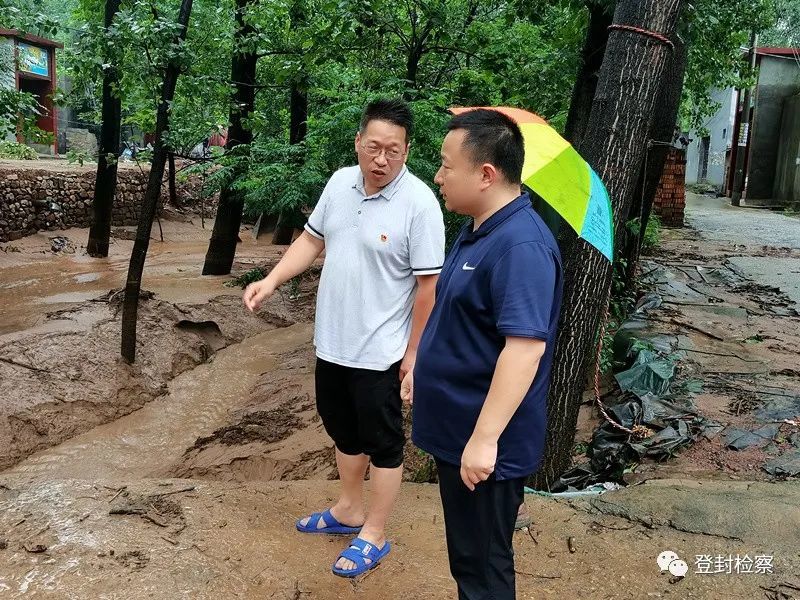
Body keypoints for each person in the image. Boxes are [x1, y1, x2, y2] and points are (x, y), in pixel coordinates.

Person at [243, 98, 445, 578]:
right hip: (331, 341)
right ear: (358, 142)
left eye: (392, 151)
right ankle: (348, 509)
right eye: (373, 147)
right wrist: (270, 281)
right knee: (342, 430)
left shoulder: (420, 204)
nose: (381, 160)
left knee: (384, 443)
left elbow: (428, 288)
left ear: (407, 151)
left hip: (380, 352)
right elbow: (312, 241)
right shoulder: (338, 183)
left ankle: (373, 532)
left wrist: (414, 354)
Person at [402, 109, 563, 599]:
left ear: (486, 174)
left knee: (485, 567)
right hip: (460, 433)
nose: (438, 176)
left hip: (485, 445)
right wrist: (420, 365)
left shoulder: (522, 247)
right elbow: (460, 320)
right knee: (468, 559)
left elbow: (524, 349)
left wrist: (485, 440)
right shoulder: (478, 231)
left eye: (447, 165)